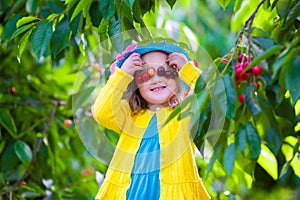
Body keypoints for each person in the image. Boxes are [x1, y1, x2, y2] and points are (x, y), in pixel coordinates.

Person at [92, 41, 211, 200]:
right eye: (145, 74)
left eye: (164, 71)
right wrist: (122, 74)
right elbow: (101, 112)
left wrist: (187, 69)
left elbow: (212, 100)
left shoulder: (185, 112)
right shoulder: (130, 114)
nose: (155, 80)